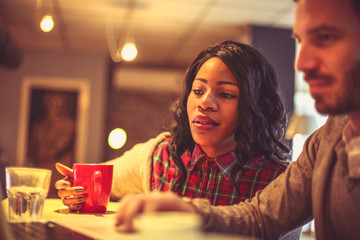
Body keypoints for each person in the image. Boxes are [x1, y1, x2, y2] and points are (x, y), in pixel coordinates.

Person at [113, 0, 360, 239]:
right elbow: (260, 218)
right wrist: (191, 213)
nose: (301, 63)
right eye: (301, 41)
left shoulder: (275, 172)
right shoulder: (324, 143)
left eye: (326, 37)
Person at [55, 40, 291, 211]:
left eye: (226, 94)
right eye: (197, 91)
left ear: (254, 106)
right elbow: (98, 182)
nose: (204, 103)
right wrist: (75, 190)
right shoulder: (159, 155)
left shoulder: (278, 181)